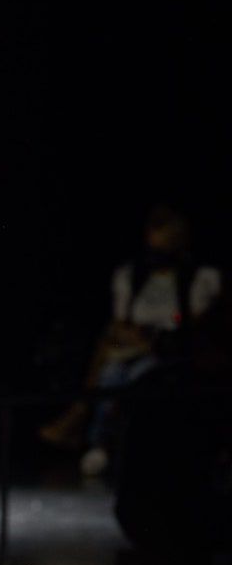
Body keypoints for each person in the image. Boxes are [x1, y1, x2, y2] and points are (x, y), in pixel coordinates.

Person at [40, 202, 222, 477]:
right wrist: (138, 337)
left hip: (170, 353)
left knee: (138, 377)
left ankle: (104, 433)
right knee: (112, 374)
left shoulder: (199, 278)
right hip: (131, 349)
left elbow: (195, 326)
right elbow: (121, 324)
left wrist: (156, 339)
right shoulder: (134, 276)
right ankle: (100, 443)